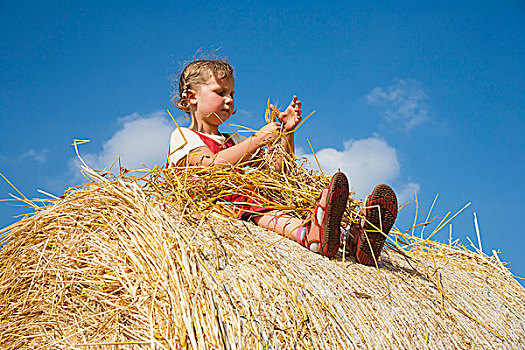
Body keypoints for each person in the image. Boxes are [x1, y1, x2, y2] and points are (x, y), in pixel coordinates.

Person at [167, 58, 397, 265]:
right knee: (252, 205)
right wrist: (256, 140)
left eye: (232, 94)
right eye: (220, 93)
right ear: (192, 97)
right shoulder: (184, 136)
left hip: (250, 198)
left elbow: (277, 174)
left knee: (285, 200)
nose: (229, 100)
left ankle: (353, 237)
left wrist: (287, 132)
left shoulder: (234, 140)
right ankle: (306, 234)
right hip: (218, 205)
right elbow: (210, 165)